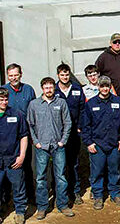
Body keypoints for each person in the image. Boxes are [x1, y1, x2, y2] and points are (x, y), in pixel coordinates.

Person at [27, 77, 74, 219]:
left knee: (61, 177)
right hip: (42, 147)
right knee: (41, 178)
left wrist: (63, 141)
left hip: (57, 146)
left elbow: (68, 123)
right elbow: (30, 125)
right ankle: (42, 207)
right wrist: (36, 142)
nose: (49, 90)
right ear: (42, 88)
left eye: (51, 87)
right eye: (46, 87)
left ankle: (63, 205)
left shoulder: (61, 103)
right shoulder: (34, 104)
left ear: (54, 88)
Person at [81, 75, 120, 210]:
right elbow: (86, 126)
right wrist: (89, 143)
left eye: (107, 86)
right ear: (98, 87)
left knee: (114, 170)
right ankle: (97, 196)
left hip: (114, 144)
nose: (104, 88)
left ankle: (115, 194)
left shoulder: (118, 102)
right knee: (97, 172)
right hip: (98, 145)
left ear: (110, 87)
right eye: (102, 86)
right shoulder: (91, 104)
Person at [54, 63, 86, 205]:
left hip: (73, 133)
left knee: (73, 164)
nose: (65, 77)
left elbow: (83, 110)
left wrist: (80, 127)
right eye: (62, 75)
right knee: (59, 165)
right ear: (58, 75)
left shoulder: (77, 89)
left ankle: (75, 192)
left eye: (67, 74)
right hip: (57, 135)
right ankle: (59, 194)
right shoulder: (52, 90)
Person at [3, 63, 36, 198]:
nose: (13, 78)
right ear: (7, 76)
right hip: (8, 135)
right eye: (10, 76)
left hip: (25, 134)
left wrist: (34, 133)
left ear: (21, 74)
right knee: (5, 168)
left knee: (26, 165)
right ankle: (6, 198)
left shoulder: (28, 90)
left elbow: (34, 111)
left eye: (16, 75)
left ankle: (29, 196)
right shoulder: (3, 90)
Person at [0, 87, 29, 224]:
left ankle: (20, 212)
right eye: (1, 100)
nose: (4, 102)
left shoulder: (17, 114)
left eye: (6, 99)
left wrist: (22, 155)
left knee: (18, 187)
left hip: (14, 158)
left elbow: (24, 136)